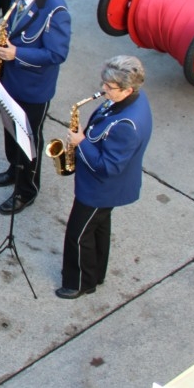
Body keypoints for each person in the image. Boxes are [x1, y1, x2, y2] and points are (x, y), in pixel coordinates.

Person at [57, 55, 152, 299]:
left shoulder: (126, 125)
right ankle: (96, 273)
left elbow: (108, 167)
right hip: (105, 187)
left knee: (78, 234)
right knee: (98, 227)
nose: (103, 90)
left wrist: (81, 142)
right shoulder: (133, 99)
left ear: (128, 89)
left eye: (109, 87)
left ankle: (80, 283)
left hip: (100, 189)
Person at [0, 0, 72, 216]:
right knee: (10, 130)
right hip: (10, 79)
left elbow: (56, 54)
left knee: (28, 139)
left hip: (33, 87)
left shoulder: (56, 11)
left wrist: (17, 54)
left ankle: (27, 190)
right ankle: (14, 169)